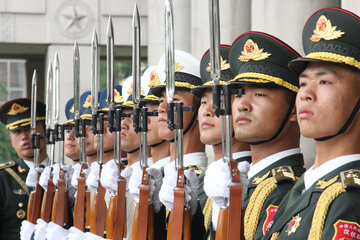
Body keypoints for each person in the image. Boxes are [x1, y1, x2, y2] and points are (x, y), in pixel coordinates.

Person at [264, 7, 360, 240]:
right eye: (304, 83)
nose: (306, 94)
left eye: (325, 81)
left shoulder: (350, 199)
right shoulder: (304, 187)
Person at [227, 32, 306, 240]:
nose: (242, 105)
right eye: (239, 94)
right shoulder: (246, 181)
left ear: (294, 109)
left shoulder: (290, 190)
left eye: (259, 94)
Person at [191, 45, 251, 238]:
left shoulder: (248, 178)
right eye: (202, 103)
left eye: (220, 102)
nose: (208, 111)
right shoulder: (200, 181)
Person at [150, 50, 206, 238]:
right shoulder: (160, 177)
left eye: (174, 100)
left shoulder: (203, 181)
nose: (161, 108)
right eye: (161, 100)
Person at [0, 98, 47, 240]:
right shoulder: (4, 178)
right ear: (11, 139)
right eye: (16, 132)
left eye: (29, 128)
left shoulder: (62, 174)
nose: (24, 137)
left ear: (45, 129)